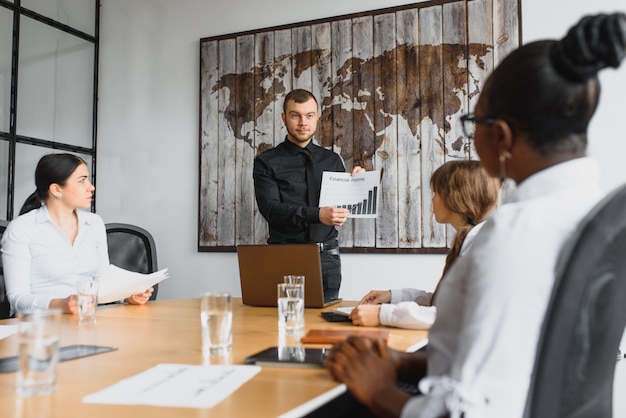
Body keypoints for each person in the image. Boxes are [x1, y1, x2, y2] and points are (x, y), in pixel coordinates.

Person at [323, 12, 626, 418]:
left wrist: (378, 389)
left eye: (473, 122)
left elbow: (469, 413)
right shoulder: (601, 214)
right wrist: (403, 363)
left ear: (500, 135)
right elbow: (526, 358)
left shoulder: (513, 238)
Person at [351, 160, 500, 329]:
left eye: (436, 193)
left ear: (454, 198)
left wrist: (383, 315)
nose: (433, 199)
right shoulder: (473, 240)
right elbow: (447, 302)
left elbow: (456, 314)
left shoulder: (483, 249)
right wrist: (393, 296)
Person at [1, 153, 153, 316]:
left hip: (87, 321)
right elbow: (17, 299)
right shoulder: (21, 228)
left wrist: (127, 295)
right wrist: (61, 304)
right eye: (82, 180)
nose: (91, 187)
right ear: (56, 189)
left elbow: (102, 281)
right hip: (38, 329)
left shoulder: (94, 223)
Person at [253, 89, 363, 300]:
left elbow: (342, 207)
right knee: (281, 326)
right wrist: (317, 215)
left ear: (317, 117)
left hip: (328, 259)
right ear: (284, 118)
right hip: (284, 257)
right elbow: (271, 210)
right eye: (295, 115)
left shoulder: (332, 160)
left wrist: (358, 182)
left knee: (323, 328)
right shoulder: (266, 161)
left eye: (309, 115)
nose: (303, 122)